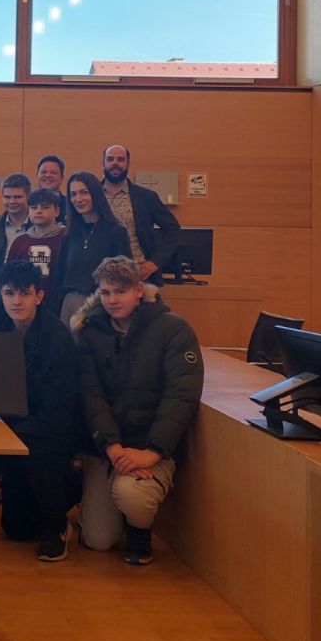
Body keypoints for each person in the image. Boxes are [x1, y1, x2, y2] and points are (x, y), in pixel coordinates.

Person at [72, 255, 203, 565]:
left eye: (121, 291)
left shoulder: (174, 329)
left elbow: (181, 396)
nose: (112, 300)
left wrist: (153, 452)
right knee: (98, 540)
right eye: (106, 292)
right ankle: (103, 506)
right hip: (107, 448)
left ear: (139, 290)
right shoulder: (91, 332)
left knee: (133, 497)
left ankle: (138, 529)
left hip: (149, 445)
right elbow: (91, 394)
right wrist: (112, 446)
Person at [0, 262, 81, 561]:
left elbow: (58, 415)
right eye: (9, 293)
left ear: (39, 296)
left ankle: (57, 524)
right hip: (10, 422)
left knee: (42, 453)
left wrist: (1, 441)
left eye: (25, 293)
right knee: (17, 528)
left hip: (49, 429)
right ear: (0, 294)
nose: (16, 301)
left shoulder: (58, 339)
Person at [52, 172, 132, 326]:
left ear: (96, 194)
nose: (78, 199)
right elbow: (59, 277)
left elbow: (125, 278)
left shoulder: (116, 232)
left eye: (84, 192)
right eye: (73, 194)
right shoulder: (69, 235)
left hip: (102, 306)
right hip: (69, 305)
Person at [101, 144, 182, 283]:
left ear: (128, 164)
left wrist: (155, 262)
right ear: (103, 163)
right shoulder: (91, 195)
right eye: (110, 159)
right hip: (98, 274)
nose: (115, 163)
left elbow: (173, 230)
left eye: (120, 159)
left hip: (137, 275)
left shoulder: (146, 197)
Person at [7, 187, 67, 282]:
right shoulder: (19, 242)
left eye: (45, 207)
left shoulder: (67, 238)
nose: (38, 211)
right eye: (34, 207)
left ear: (57, 211)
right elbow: (10, 276)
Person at [0, 172, 34, 265]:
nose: (12, 201)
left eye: (17, 197)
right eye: (7, 197)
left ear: (28, 197)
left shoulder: (38, 226)